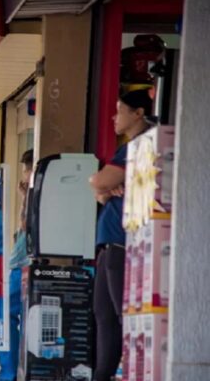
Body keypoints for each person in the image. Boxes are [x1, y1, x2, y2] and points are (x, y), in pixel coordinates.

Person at [89, 89, 153, 381]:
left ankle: (130, 372)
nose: (115, 117)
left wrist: (104, 187)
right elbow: (100, 190)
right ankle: (102, 375)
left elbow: (99, 181)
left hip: (123, 243)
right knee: (103, 314)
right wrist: (104, 189)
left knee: (119, 315)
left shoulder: (139, 146)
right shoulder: (125, 148)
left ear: (139, 113)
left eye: (120, 110)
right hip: (109, 244)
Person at [0, 149, 33, 381]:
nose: (24, 175)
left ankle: (12, 373)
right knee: (10, 317)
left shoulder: (40, 192)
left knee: (11, 317)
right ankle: (11, 372)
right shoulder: (32, 193)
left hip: (25, 263)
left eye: (27, 170)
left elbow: (26, 223)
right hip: (21, 261)